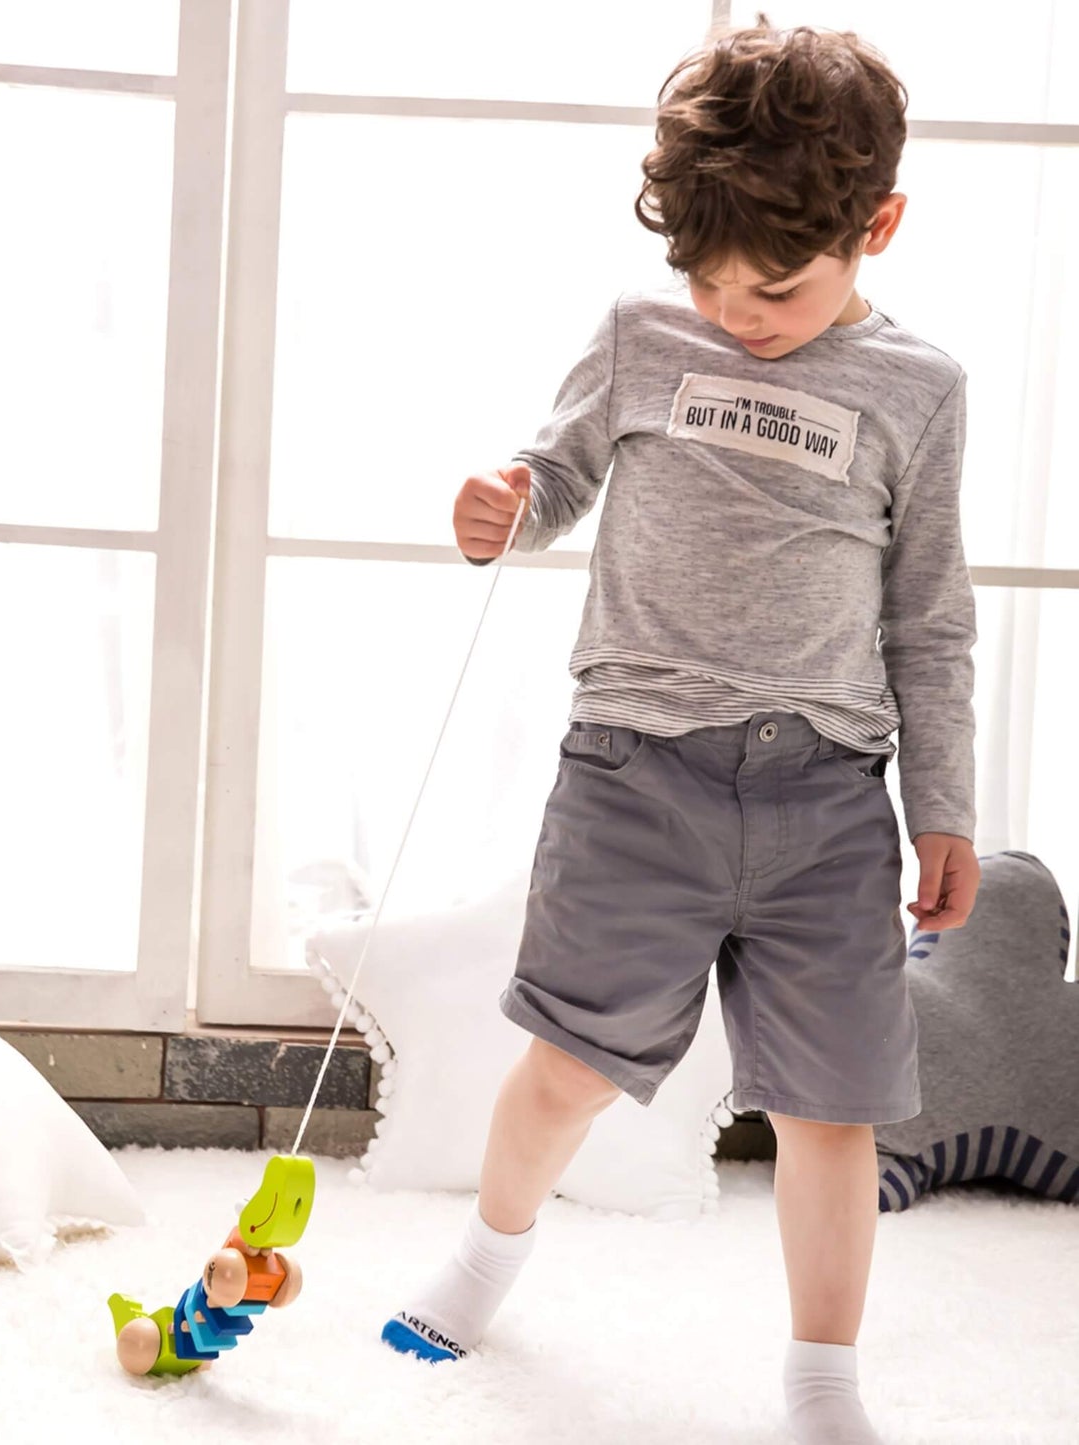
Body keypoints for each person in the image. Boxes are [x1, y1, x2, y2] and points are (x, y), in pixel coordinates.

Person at [381, 16, 983, 1444]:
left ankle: (822, 1377)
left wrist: (943, 801)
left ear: (876, 225)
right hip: (630, 778)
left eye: (770, 284)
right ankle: (485, 1255)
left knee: (830, 1111)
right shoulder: (639, 340)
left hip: (824, 799)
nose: (735, 312)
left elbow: (928, 615)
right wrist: (501, 505)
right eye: (704, 280)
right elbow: (554, 472)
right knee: (566, 1071)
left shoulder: (919, 391)